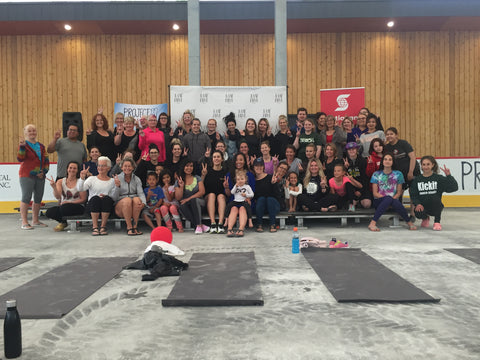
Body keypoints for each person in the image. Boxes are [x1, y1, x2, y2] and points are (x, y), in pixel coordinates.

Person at [368, 153, 417, 232]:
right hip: (379, 201)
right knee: (387, 199)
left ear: (393, 162)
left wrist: (391, 200)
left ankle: (409, 222)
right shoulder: (376, 174)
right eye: (385, 159)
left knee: (391, 200)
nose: (387, 161)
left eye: (390, 159)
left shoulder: (398, 174)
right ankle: (373, 223)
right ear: (382, 161)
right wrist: (387, 200)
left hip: (393, 201)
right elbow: (375, 193)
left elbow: (399, 192)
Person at [410, 156, 458, 231]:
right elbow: (413, 194)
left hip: (435, 206)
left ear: (433, 165)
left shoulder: (438, 178)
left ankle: (437, 222)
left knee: (435, 198)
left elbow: (454, 188)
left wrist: (449, 176)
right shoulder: (417, 180)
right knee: (418, 212)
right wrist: (417, 204)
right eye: (424, 164)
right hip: (423, 207)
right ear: (421, 166)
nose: (426, 167)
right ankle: (425, 218)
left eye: (428, 164)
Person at [17, 124, 50, 230]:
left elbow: (46, 160)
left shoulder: (41, 146)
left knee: (38, 198)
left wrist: (44, 172)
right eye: (29, 131)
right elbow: (20, 159)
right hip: (27, 175)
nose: (32, 133)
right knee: (26, 197)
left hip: (40, 175)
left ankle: (35, 220)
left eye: (34, 130)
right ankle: (24, 222)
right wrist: (22, 147)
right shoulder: (24, 145)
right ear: (25, 133)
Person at [78, 156, 119, 236]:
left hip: (106, 207)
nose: (100, 168)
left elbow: (115, 198)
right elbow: (80, 189)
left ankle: (103, 227)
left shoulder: (113, 181)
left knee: (107, 199)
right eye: (99, 165)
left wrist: (117, 187)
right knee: (95, 198)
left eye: (103, 166)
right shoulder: (91, 179)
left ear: (108, 168)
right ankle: (95, 227)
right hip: (93, 207)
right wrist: (82, 178)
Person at [45, 161, 87, 231]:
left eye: (74, 168)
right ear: (67, 169)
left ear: (77, 170)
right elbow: (58, 197)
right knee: (49, 212)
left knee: (64, 208)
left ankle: (65, 222)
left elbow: (83, 199)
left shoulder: (80, 181)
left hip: (77, 206)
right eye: (70, 168)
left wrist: (69, 203)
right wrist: (54, 187)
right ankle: (63, 222)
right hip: (63, 206)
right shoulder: (60, 181)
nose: (72, 170)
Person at [174, 160, 209, 234]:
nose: (189, 168)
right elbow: (178, 198)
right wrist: (181, 187)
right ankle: (199, 225)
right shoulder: (179, 181)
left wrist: (188, 199)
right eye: (187, 166)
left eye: (191, 166)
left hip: (199, 202)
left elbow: (202, 192)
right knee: (182, 206)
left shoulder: (197, 178)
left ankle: (198, 225)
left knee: (194, 200)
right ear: (183, 167)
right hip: (187, 205)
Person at [115, 158, 146, 236]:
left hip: (134, 206)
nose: (127, 168)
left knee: (137, 199)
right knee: (127, 200)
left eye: (129, 166)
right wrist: (117, 186)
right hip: (121, 206)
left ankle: (135, 227)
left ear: (133, 167)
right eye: (125, 166)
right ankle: (129, 227)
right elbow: (113, 197)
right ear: (121, 167)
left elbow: (141, 193)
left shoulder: (137, 179)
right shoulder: (117, 178)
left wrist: (143, 203)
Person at [201, 150, 228, 234]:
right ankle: (212, 223)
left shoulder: (225, 172)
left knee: (220, 196)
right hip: (209, 199)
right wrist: (203, 175)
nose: (216, 159)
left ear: (222, 159)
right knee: (212, 195)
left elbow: (227, 192)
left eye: (218, 157)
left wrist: (226, 187)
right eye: (214, 157)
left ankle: (220, 224)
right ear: (212, 159)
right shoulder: (207, 171)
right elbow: (200, 186)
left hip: (221, 199)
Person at [253, 158, 281, 233]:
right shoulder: (253, 180)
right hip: (260, 206)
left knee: (269, 199)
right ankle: (259, 224)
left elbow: (277, 195)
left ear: (263, 167)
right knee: (261, 199)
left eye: (260, 165)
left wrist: (274, 184)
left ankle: (273, 224)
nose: (258, 167)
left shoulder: (270, 177)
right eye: (256, 166)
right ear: (253, 167)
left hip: (273, 205)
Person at [225, 170, 254, 237]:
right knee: (229, 206)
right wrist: (236, 186)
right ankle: (228, 224)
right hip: (236, 201)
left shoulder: (247, 187)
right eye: (238, 179)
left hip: (243, 201)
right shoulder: (236, 186)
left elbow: (252, 194)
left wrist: (246, 195)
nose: (240, 181)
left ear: (245, 179)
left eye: (242, 179)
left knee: (246, 208)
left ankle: (248, 222)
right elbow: (232, 192)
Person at [344, 142, 371, 209]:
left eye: (353, 149)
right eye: (349, 149)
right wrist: (344, 168)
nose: (351, 151)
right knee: (348, 184)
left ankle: (358, 202)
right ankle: (353, 203)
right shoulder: (344, 161)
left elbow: (366, 178)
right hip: (350, 188)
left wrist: (360, 191)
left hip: (362, 186)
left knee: (367, 204)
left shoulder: (363, 161)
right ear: (347, 151)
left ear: (357, 150)